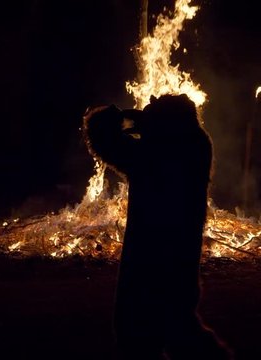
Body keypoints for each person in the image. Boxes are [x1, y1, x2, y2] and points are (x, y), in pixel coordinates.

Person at [82, 94, 233, 359]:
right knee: (181, 328)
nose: (147, 109)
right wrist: (146, 123)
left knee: (142, 335)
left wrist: (109, 118)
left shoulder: (155, 154)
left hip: (150, 259)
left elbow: (108, 142)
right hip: (181, 258)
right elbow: (168, 139)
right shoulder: (197, 143)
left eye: (154, 109)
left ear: (165, 122)